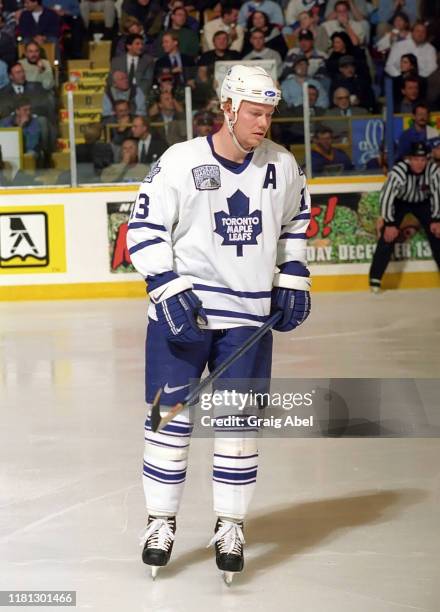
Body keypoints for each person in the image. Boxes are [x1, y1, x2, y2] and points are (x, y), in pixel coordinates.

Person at [126, 65, 311, 582]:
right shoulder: (181, 161)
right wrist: (164, 285)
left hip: (248, 317)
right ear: (227, 108)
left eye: (270, 113)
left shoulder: (282, 164)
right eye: (254, 113)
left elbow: (297, 219)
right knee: (169, 417)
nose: (263, 123)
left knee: (237, 425)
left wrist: (293, 273)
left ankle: (230, 524)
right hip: (183, 312)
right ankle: (159, 521)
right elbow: (143, 225)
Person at [369, 141, 440, 292]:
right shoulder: (399, 170)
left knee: (437, 234)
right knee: (388, 236)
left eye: (422, 160)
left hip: (423, 203)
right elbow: (386, 196)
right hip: (400, 203)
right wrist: (389, 223)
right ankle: (375, 279)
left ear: (427, 159)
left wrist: (436, 219)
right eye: (415, 159)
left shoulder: (433, 170)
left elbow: (437, 195)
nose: (419, 163)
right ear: (409, 158)